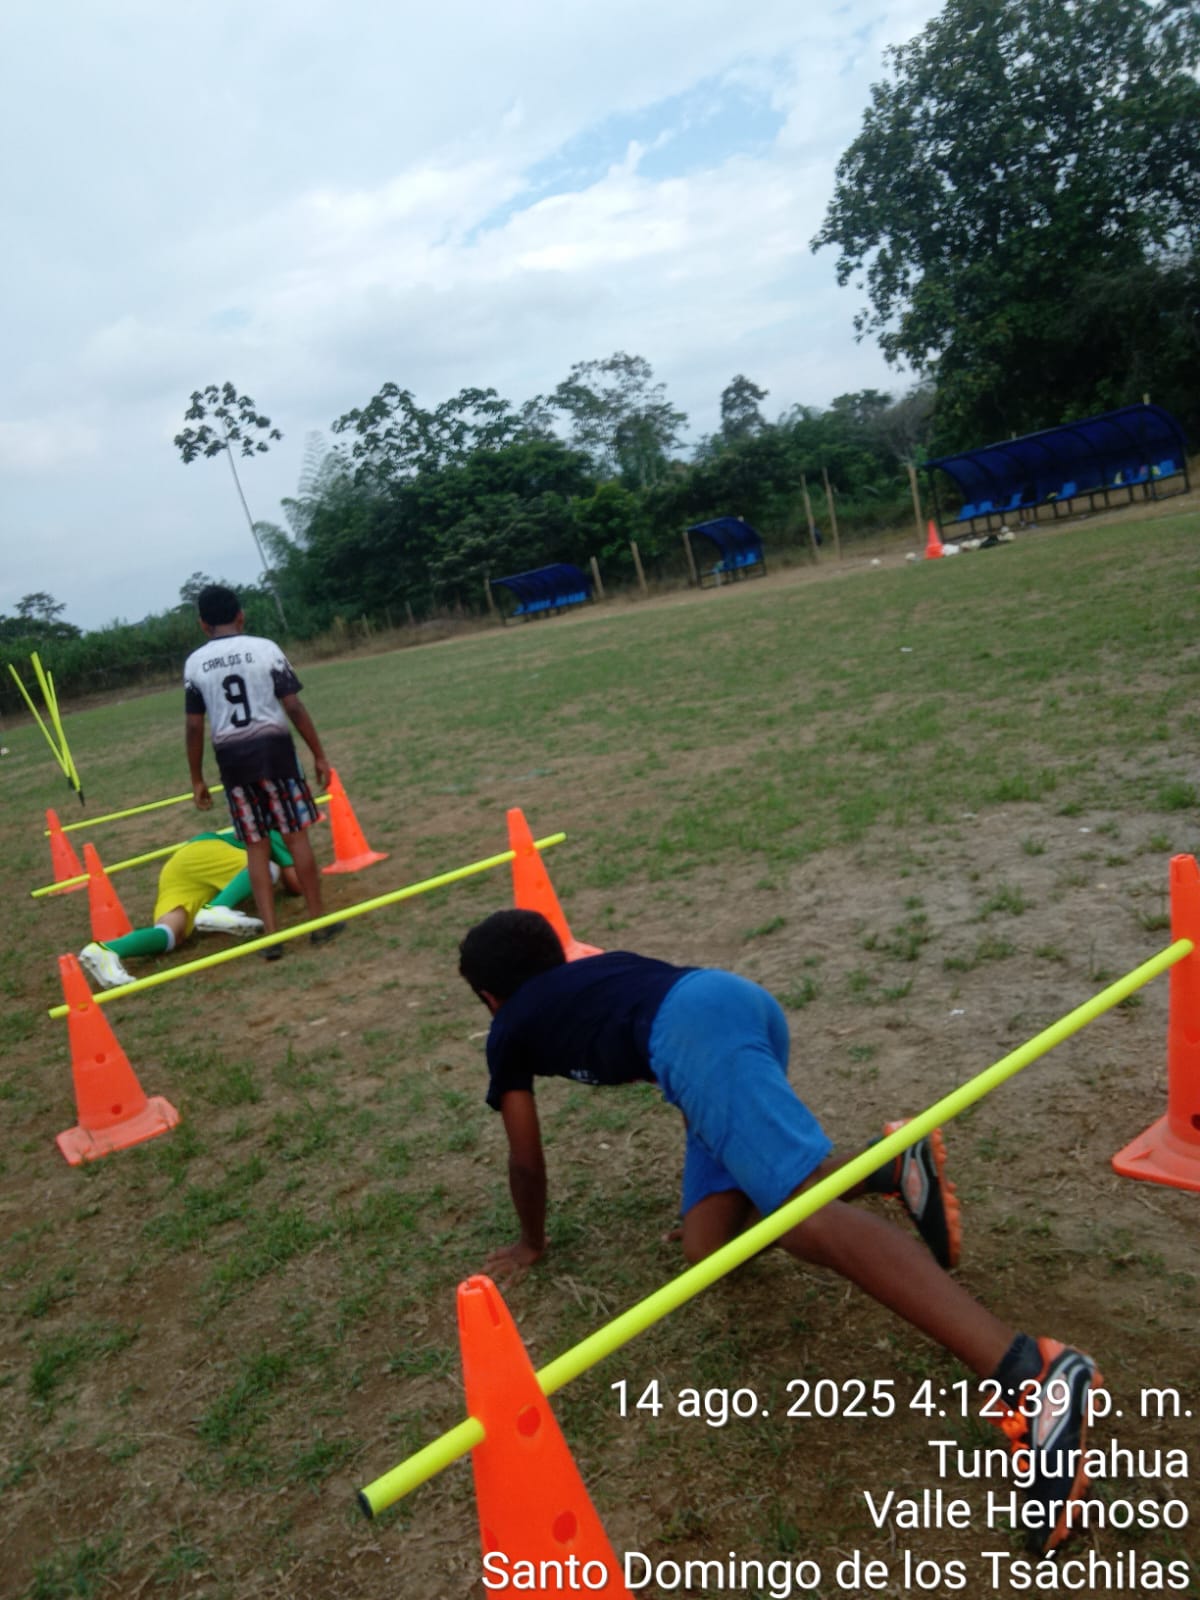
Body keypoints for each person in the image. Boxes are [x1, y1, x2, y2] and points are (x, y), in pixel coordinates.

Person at [458, 908, 1103, 1559]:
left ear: (489, 997)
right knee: (709, 1251)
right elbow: (658, 1024)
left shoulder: (509, 1025)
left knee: (802, 1216)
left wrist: (531, 1242)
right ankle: (891, 1167)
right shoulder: (591, 972)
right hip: (732, 1002)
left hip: (696, 1035)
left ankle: (1029, 1372)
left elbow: (525, 1157)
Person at [183, 584, 342, 960]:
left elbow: (193, 725)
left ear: (203, 624)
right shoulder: (265, 649)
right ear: (241, 616)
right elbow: (293, 706)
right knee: (296, 838)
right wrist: (319, 755)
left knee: (256, 849)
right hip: (277, 758)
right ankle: (318, 924)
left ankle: (271, 938)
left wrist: (197, 778)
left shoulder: (195, 664)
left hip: (234, 765)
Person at [79, 829, 301, 990]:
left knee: (170, 934)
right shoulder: (275, 828)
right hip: (205, 851)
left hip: (181, 863)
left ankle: (106, 950)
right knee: (265, 868)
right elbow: (296, 884)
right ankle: (217, 908)